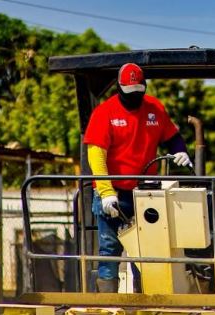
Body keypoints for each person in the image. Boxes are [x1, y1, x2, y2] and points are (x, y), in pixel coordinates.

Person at [83, 62, 193, 293]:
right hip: (112, 194)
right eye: (129, 92)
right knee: (109, 249)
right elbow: (96, 157)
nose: (134, 97)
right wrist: (106, 193)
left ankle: (145, 301)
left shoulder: (154, 108)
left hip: (144, 195)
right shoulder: (104, 113)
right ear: (119, 87)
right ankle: (108, 303)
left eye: (138, 92)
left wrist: (180, 150)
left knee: (145, 252)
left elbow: (172, 136)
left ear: (144, 86)